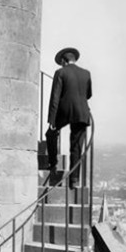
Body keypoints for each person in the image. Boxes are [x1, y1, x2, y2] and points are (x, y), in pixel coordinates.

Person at [46, 47, 92, 188]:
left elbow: (55, 98)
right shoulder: (86, 73)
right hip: (82, 113)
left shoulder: (60, 72)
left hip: (65, 112)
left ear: (64, 62)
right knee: (76, 147)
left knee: (51, 133)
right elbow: (88, 94)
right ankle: (74, 180)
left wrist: (52, 120)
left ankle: (53, 164)